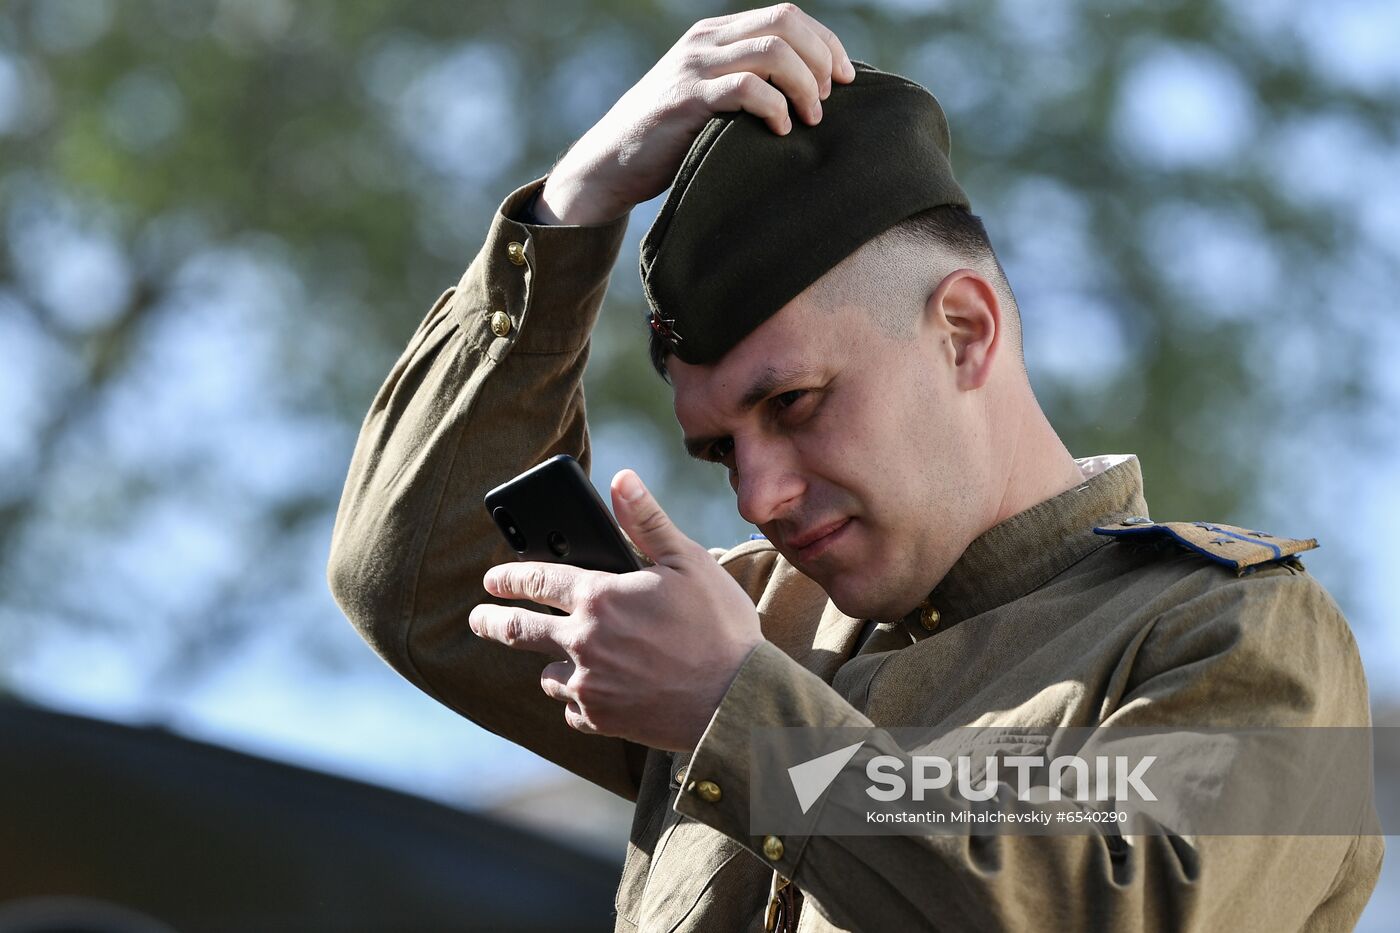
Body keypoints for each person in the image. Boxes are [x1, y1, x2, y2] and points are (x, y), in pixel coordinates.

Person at [327, 5, 1381, 930]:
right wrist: (571, 208)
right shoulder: (743, 622)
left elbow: (1115, 914)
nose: (757, 495)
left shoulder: (1234, 639)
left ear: (964, 332)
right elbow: (417, 575)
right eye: (718, 448)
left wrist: (733, 719)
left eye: (792, 405)